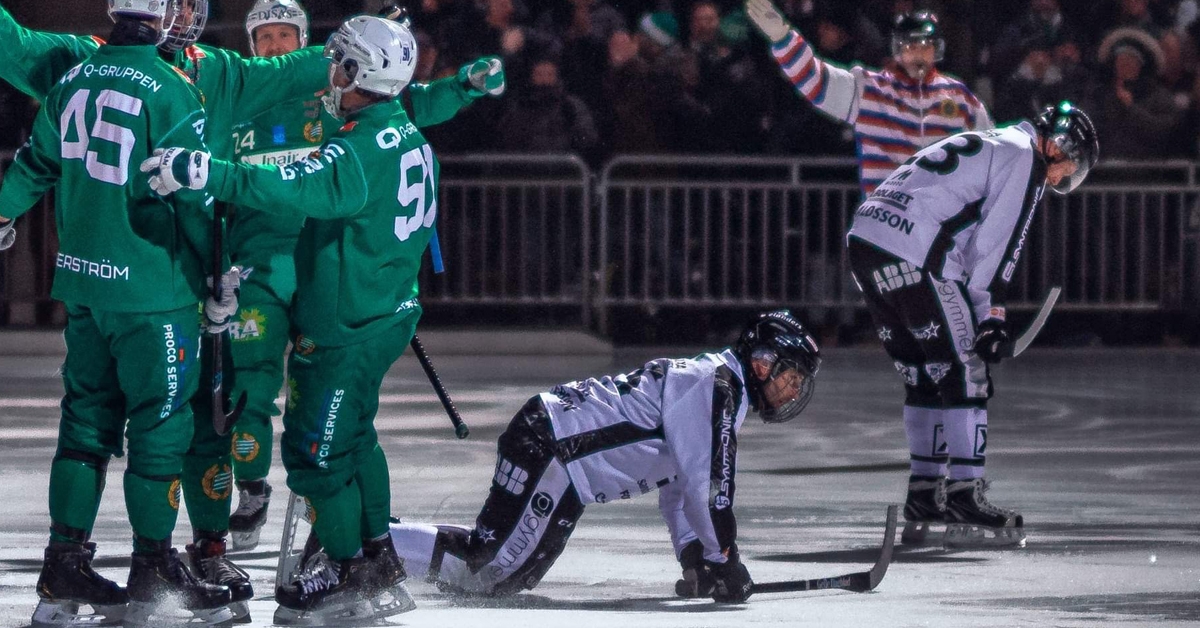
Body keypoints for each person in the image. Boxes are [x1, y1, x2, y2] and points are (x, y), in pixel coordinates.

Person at [142, 14, 443, 623]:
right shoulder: (401, 131)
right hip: (386, 313)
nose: (328, 72)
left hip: (344, 329)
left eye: (339, 63)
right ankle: (377, 555)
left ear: (359, 72)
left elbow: (286, 183)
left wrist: (205, 170)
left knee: (315, 456)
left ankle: (352, 575)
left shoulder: (356, 152)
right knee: (356, 438)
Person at [224, 0, 505, 554]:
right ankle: (254, 491)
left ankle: (343, 543)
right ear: (250, 44)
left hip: (325, 272)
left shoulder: (331, 101)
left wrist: (463, 87)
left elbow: (409, 101)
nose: (276, 46)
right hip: (257, 267)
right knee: (252, 387)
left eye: (287, 35)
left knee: (324, 431)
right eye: (265, 36)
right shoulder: (233, 105)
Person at [0, 1, 240, 625]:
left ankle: (63, 565)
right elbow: (192, 195)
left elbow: (36, 162)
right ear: (162, 17)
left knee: (83, 425)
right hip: (151, 291)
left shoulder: (72, 79)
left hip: (82, 284)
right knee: (160, 427)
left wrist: (2, 212)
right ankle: (153, 568)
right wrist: (217, 276)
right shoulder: (172, 89)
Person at [379, 310, 821, 602]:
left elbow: (683, 487)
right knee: (487, 570)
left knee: (503, 573)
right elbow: (710, 495)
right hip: (554, 450)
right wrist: (726, 562)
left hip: (556, 449)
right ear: (764, 362)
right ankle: (362, 545)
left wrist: (695, 558)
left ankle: (369, 539)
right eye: (793, 376)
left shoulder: (717, 385)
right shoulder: (717, 389)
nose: (795, 390)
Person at [845, 102, 1099, 549]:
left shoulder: (996, 140)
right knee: (967, 372)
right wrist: (993, 317)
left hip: (866, 241)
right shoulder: (1026, 157)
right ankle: (965, 493)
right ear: (1059, 145)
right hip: (915, 250)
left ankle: (925, 492)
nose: (1061, 179)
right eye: (1070, 167)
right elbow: (998, 244)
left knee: (924, 374)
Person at [746, 0, 992, 194]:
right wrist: (784, 39)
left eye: (925, 46)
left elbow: (994, 151)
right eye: (910, 46)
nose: (918, 53)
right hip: (886, 230)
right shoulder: (871, 89)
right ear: (897, 50)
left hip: (941, 233)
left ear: (936, 50)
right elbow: (817, 80)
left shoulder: (959, 98)